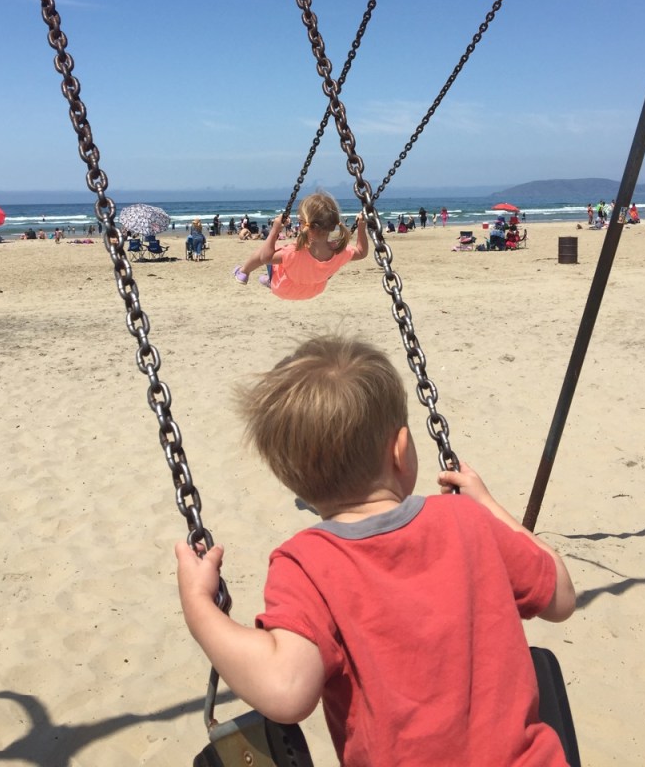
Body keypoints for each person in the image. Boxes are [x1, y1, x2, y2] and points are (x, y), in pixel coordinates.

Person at [176, 335, 576, 767]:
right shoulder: (469, 521)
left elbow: (286, 688)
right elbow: (561, 597)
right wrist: (491, 507)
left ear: (293, 481)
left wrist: (200, 608)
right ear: (401, 450)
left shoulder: (306, 564)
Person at [232, 192, 368, 300]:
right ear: (333, 224)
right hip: (314, 290)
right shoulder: (340, 251)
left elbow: (265, 258)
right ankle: (267, 278)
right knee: (282, 257)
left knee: (269, 249)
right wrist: (361, 226)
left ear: (303, 223)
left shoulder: (293, 252)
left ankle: (244, 272)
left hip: (283, 288)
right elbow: (361, 252)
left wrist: (275, 229)